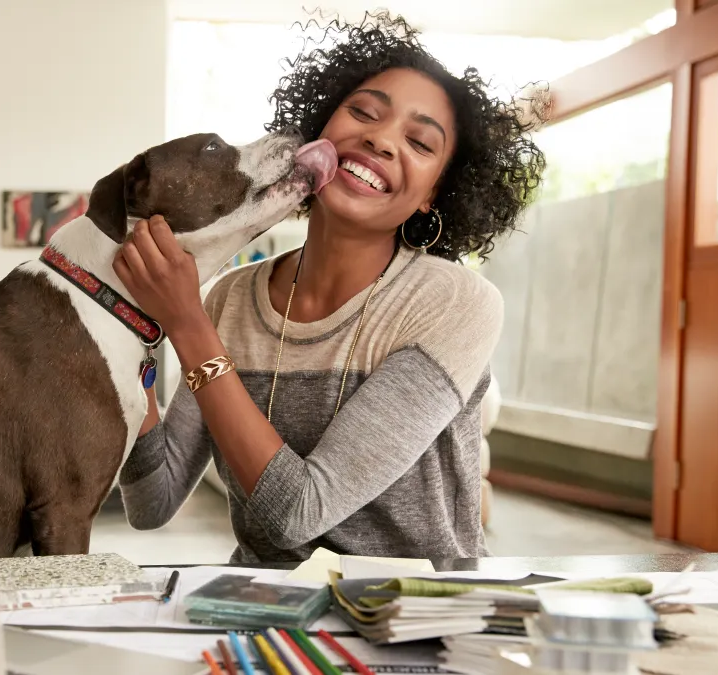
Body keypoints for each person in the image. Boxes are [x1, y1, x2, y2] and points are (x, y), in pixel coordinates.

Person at [112, 12, 545, 563]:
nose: (380, 139)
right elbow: (153, 502)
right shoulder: (230, 298)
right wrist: (136, 329)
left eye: (418, 142)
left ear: (436, 193)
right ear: (321, 134)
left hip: (411, 618)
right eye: (363, 112)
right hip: (265, 612)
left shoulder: (455, 302)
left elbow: (298, 512)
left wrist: (187, 324)